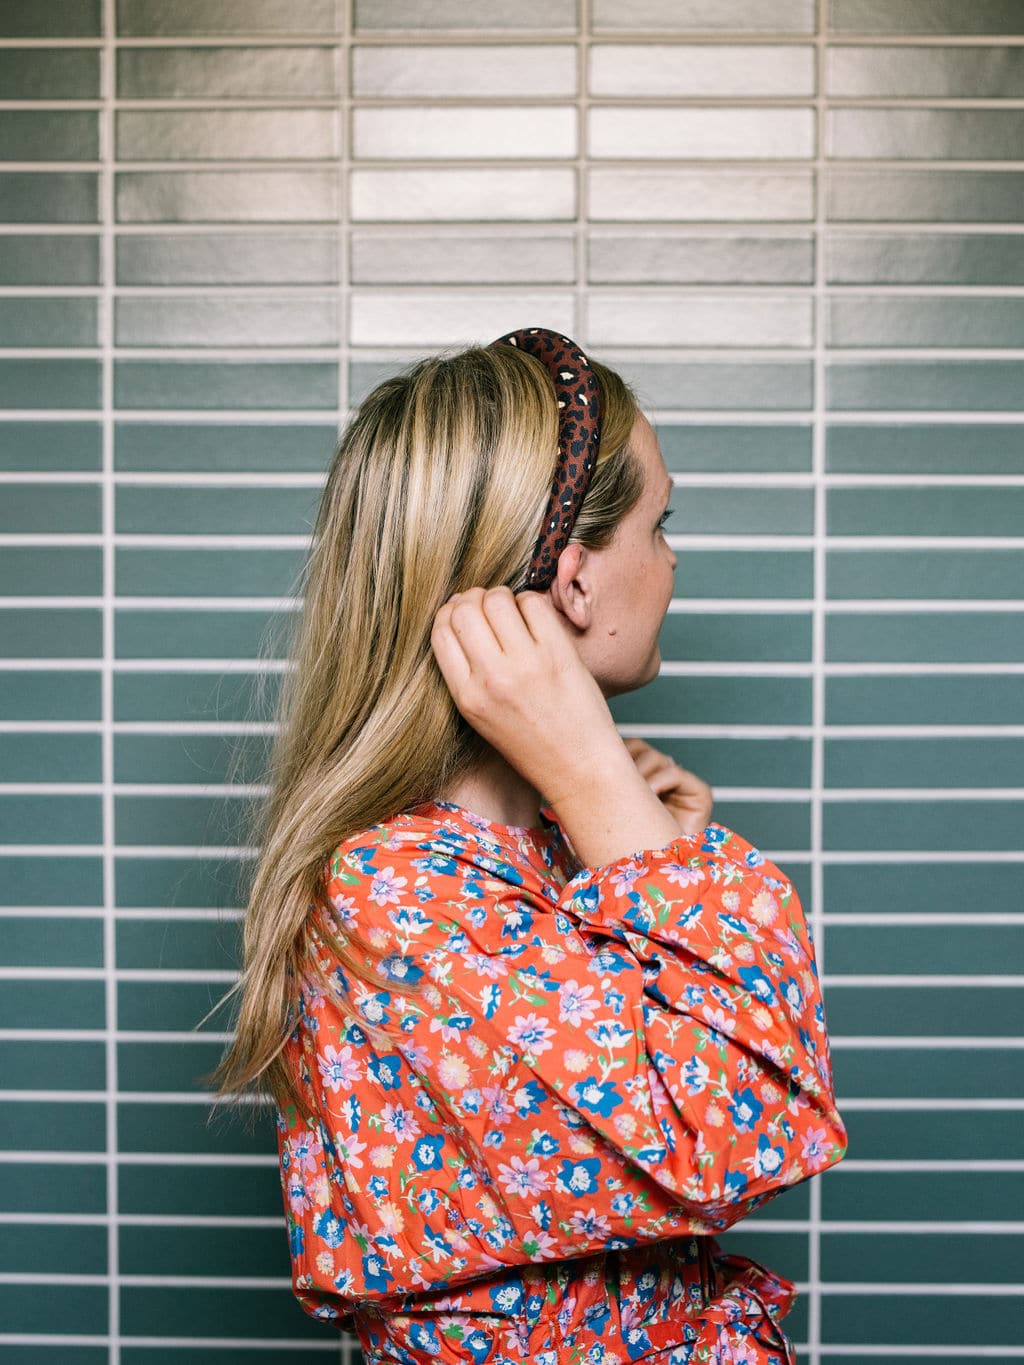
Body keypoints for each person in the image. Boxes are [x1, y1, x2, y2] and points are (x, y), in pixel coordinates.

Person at [205, 328, 848, 1365]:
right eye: (660, 522)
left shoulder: (537, 856)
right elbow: (750, 1124)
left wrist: (628, 839)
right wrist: (598, 778)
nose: (673, 560)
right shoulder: (396, 893)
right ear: (578, 580)